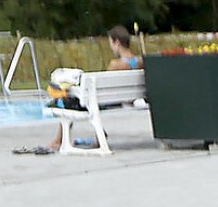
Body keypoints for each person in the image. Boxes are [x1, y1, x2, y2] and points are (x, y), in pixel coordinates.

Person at [26, 25, 140, 155]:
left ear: (117, 42)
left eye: (110, 43)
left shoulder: (116, 64)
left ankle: (59, 141)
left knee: (66, 100)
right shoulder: (138, 61)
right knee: (76, 97)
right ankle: (98, 134)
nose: (111, 47)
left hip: (106, 100)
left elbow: (97, 92)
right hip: (124, 99)